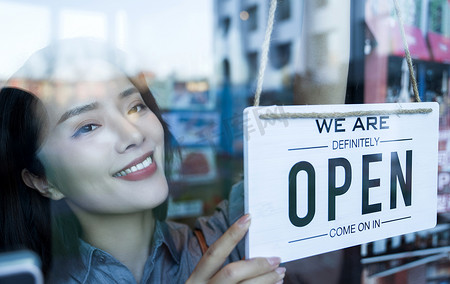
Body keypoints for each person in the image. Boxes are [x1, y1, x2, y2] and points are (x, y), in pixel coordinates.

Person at [0, 39, 286, 283]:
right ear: (42, 179)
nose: (133, 134)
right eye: (87, 126)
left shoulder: (233, 239)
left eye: (136, 107)